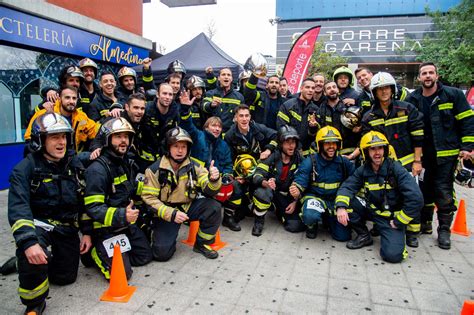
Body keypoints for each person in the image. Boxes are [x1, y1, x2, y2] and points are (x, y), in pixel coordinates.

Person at [8, 113, 92, 314]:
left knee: (65, 278)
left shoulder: (73, 165)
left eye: (63, 136)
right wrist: (28, 243)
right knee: (33, 254)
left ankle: (33, 259)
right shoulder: (24, 169)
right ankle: (35, 302)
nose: (61, 142)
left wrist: (87, 232)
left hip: (65, 227)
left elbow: (83, 200)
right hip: (39, 225)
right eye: (54, 137)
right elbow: (19, 208)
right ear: (40, 140)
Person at [405, 62, 474, 249]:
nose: (427, 76)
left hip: (446, 155)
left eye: (431, 73)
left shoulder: (453, 95)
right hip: (422, 156)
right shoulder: (414, 99)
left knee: (443, 191)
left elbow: (467, 121)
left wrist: (468, 146)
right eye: (424, 73)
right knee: (424, 190)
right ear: (419, 78)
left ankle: (444, 230)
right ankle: (426, 223)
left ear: (437, 75)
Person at [335, 131, 423, 263]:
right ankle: (364, 235)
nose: (377, 152)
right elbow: (347, 187)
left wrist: (400, 221)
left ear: (385, 149)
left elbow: (416, 199)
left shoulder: (396, 169)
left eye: (380, 148)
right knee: (347, 202)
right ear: (365, 152)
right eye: (372, 149)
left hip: (391, 220)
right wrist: (341, 207)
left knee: (393, 256)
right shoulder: (363, 170)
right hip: (373, 212)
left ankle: (392, 237)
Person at [83, 117, 152, 280]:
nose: (124, 141)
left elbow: (131, 189)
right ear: (107, 140)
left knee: (144, 257)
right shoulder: (98, 170)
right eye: (118, 136)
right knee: (122, 275)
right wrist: (122, 215)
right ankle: (94, 251)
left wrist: (151, 188)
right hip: (105, 227)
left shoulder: (125, 162)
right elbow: (93, 208)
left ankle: (120, 251)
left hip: (125, 223)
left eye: (126, 137)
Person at [361, 72, 424, 247]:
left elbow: (418, 134)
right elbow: (367, 143)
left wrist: (417, 161)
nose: (384, 92)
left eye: (387, 87)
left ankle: (412, 232)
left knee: (410, 195)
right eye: (379, 89)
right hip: (383, 164)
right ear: (374, 92)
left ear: (393, 89)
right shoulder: (369, 116)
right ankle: (380, 224)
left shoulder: (406, 108)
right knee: (382, 194)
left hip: (408, 161)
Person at [141, 127, 223, 260]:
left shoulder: (195, 166)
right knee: (162, 254)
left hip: (188, 207)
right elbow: (149, 199)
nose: (180, 151)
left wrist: (214, 179)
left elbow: (209, 190)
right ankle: (153, 231)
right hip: (167, 212)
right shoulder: (154, 170)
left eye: (183, 147)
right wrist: (172, 214)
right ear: (168, 147)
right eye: (176, 146)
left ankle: (202, 244)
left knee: (213, 207)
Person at [290, 126, 355, 240]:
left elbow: (355, 182)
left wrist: (343, 205)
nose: (331, 147)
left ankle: (329, 220)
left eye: (334, 143)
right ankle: (311, 225)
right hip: (316, 197)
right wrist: (296, 189)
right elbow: (301, 178)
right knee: (310, 216)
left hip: (335, 201)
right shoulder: (311, 161)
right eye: (327, 143)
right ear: (320, 145)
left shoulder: (344, 162)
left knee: (343, 237)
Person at [223, 105, 278, 230]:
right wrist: (235, 175)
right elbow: (228, 158)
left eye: (246, 115)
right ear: (235, 118)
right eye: (241, 116)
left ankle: (258, 219)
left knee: (264, 190)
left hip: (259, 169)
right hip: (240, 172)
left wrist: (268, 150)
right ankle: (228, 218)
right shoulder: (230, 136)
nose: (244, 119)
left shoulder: (257, 128)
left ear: (250, 117)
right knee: (235, 186)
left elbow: (276, 136)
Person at [252, 126, 305, 235]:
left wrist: (295, 201)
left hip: (286, 195)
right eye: (287, 143)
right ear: (281, 144)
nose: (291, 146)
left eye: (293, 142)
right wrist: (266, 183)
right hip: (271, 191)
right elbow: (257, 174)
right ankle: (259, 221)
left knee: (294, 226)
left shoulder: (299, 159)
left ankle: (277, 209)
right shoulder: (272, 157)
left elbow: (305, 181)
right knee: (263, 193)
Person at [25, 86, 99, 154]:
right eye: (67, 98)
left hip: (71, 158)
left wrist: (109, 119)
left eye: (74, 98)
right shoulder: (44, 114)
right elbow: (29, 140)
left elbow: (96, 130)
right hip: (48, 158)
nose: (71, 101)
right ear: (59, 98)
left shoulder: (81, 116)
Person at [318, 81, 362, 160]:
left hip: (350, 155)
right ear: (324, 93)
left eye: (334, 87)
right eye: (328, 88)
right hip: (329, 155)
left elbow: (361, 130)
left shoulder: (349, 106)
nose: (332, 89)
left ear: (338, 90)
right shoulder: (321, 109)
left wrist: (358, 128)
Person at [277, 78, 319, 156]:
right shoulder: (287, 106)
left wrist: (313, 128)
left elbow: (315, 136)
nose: (310, 90)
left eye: (313, 88)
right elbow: (281, 129)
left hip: (307, 154)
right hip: (288, 152)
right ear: (301, 88)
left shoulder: (315, 110)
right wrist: (297, 146)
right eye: (307, 87)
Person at [141, 83, 180, 167]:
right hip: (144, 159)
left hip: (165, 157)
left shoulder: (175, 111)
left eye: (170, 94)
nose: (167, 97)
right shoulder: (146, 108)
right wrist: (116, 107)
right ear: (157, 94)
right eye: (164, 93)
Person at [202, 67, 244, 133]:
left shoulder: (239, 96)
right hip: (214, 135)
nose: (226, 77)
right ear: (218, 78)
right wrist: (210, 105)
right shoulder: (210, 93)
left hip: (232, 136)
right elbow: (203, 107)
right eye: (223, 74)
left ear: (232, 79)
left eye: (228, 75)